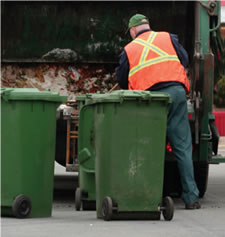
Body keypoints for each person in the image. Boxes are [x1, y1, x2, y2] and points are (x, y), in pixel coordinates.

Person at [116, 14, 200, 209]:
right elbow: (185, 59)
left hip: (151, 102)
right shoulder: (168, 37)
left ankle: (150, 196)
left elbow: (121, 79)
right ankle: (191, 198)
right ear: (148, 27)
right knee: (182, 148)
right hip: (177, 94)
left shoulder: (129, 49)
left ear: (133, 30)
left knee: (149, 148)